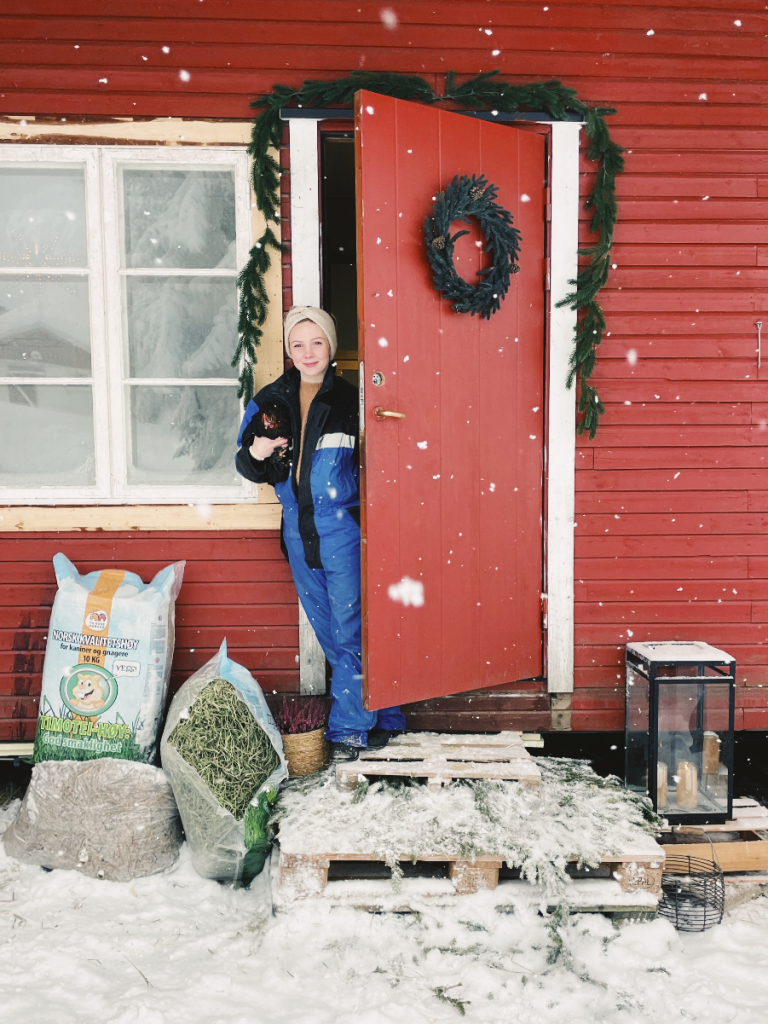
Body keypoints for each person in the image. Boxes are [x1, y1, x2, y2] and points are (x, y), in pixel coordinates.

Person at [235, 305, 406, 762]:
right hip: (296, 529)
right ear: (288, 349)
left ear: (330, 347)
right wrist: (257, 449)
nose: (307, 353)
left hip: (341, 528)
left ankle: (351, 725)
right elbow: (246, 464)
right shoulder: (271, 401)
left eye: (316, 343)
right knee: (328, 629)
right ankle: (385, 711)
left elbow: (382, 466)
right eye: (297, 344)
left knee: (350, 629)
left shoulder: (352, 401)